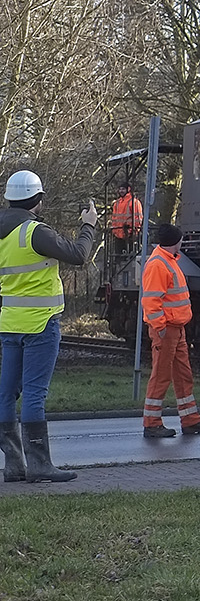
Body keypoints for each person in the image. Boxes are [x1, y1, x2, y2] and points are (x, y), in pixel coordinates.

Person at [0, 169, 97, 483]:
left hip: (10, 323)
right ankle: (40, 465)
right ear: (38, 200)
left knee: (5, 393)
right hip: (41, 325)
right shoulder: (35, 232)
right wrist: (88, 225)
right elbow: (79, 255)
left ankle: (14, 464)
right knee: (34, 395)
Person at [140, 223, 200, 439]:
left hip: (175, 328)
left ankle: (190, 420)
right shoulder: (159, 264)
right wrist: (160, 328)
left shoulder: (167, 261)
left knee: (183, 375)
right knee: (161, 375)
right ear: (176, 242)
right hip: (166, 330)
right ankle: (152, 423)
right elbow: (151, 301)